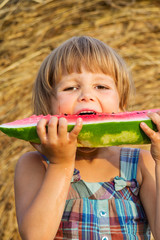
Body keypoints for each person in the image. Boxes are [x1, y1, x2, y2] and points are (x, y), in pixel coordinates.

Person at [14, 36, 160, 240]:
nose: (86, 95)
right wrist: (60, 164)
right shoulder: (35, 165)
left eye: (101, 87)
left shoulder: (142, 164)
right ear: (47, 109)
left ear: (122, 105)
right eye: (70, 88)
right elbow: (35, 236)